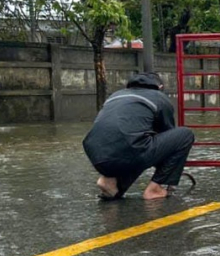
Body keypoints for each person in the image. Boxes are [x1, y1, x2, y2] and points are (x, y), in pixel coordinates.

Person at [82, 72, 195, 200]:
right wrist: (168, 172)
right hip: (130, 150)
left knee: (136, 144)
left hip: (97, 155)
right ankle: (155, 189)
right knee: (185, 135)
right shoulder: (159, 97)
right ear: (160, 87)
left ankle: (109, 182)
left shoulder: (116, 95)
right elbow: (168, 136)